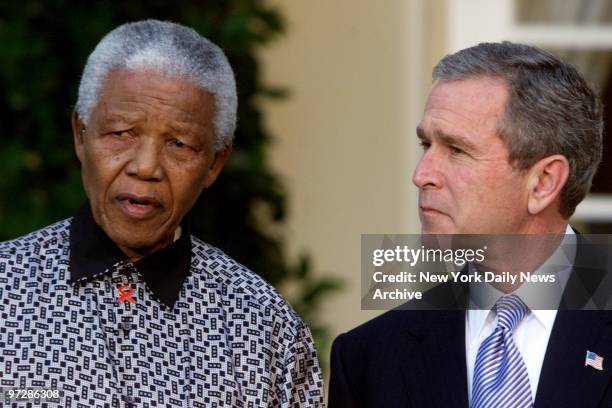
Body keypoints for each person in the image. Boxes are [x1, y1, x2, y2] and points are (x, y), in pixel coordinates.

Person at [0, 20, 323, 407]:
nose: (146, 166)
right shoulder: (7, 290)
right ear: (80, 134)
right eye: (122, 132)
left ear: (215, 163)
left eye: (180, 143)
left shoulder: (264, 328)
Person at [329, 42, 612, 407]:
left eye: (457, 150)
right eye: (425, 146)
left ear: (542, 183)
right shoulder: (369, 357)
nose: (421, 175)